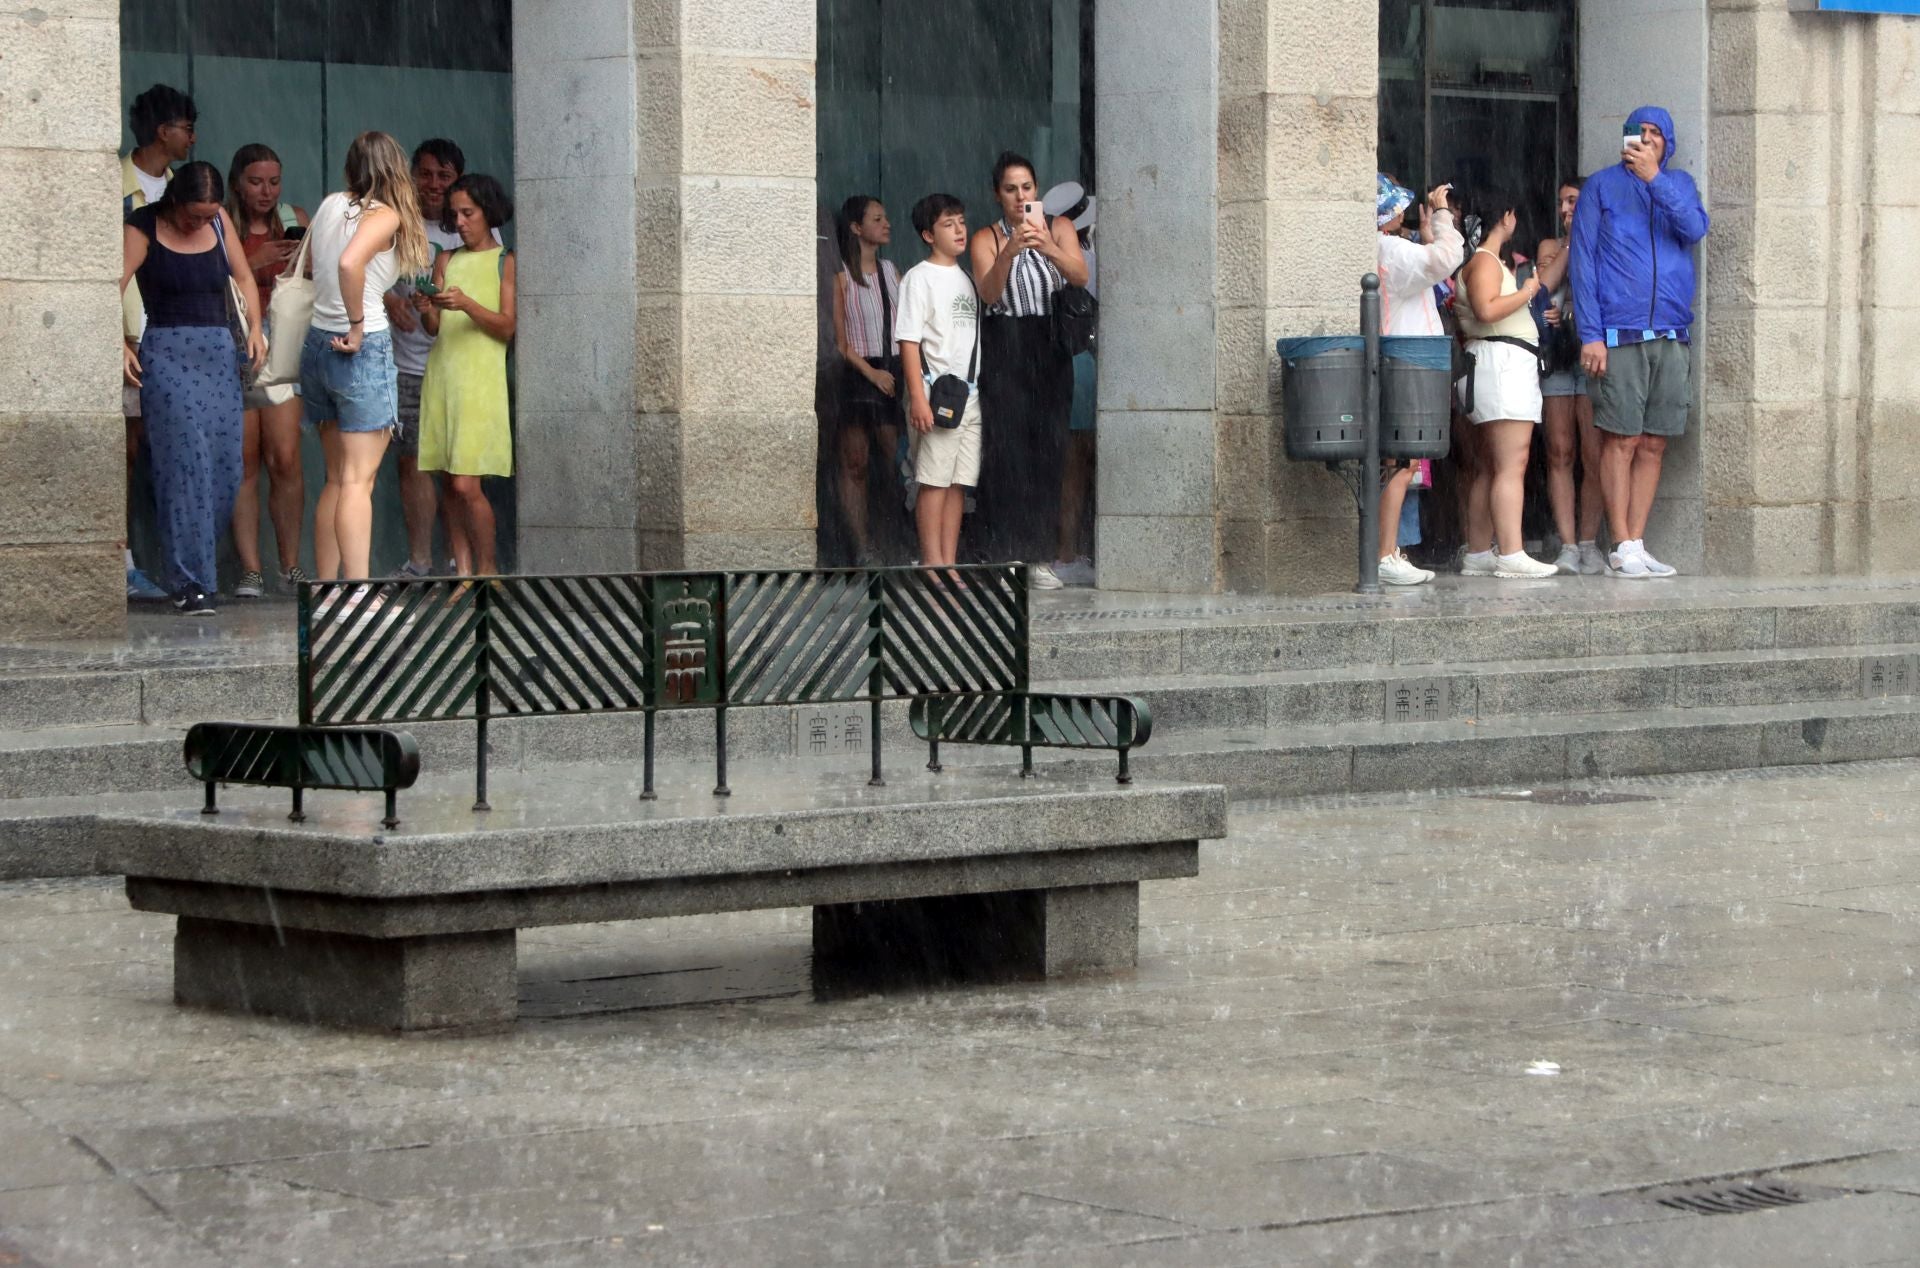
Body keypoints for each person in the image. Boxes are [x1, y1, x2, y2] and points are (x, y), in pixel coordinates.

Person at [120, 161, 267, 615]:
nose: (200, 223)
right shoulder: (144, 225)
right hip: (167, 351)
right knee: (185, 467)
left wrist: (256, 328)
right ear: (175, 201)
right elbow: (112, 284)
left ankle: (198, 571)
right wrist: (118, 343)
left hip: (219, 352)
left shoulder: (220, 222)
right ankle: (190, 583)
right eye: (194, 215)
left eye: (208, 215)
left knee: (225, 468)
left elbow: (243, 276)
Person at [1572, 107, 1710, 580]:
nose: (1647, 140)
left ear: (1667, 144)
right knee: (1622, 438)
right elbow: (1583, 264)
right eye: (1639, 133)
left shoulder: (1679, 185)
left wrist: (1656, 180)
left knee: (1653, 443)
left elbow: (1694, 229)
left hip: (1671, 333)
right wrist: (1591, 333)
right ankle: (1621, 544)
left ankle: (1635, 541)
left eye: (1656, 135)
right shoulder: (1601, 187)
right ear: (1625, 139)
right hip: (1619, 333)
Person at [299, 131, 429, 590]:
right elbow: (351, 264)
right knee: (358, 481)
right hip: (360, 349)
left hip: (317, 345)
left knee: (336, 479)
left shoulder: (332, 204)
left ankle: (327, 590)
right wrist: (356, 324)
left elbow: (319, 265)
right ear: (396, 169)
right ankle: (356, 595)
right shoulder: (386, 214)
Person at [969, 152, 1088, 589]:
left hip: (1050, 346)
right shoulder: (986, 237)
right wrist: (1010, 251)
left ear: (1036, 190)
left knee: (1048, 448)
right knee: (1005, 450)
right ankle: (1004, 553)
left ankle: (1039, 556)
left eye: (1026, 188)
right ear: (997, 195)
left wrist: (1047, 246)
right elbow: (988, 292)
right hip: (1006, 345)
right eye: (1010, 189)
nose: (1020, 197)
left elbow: (1078, 275)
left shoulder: (1059, 226)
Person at [384, 139, 478, 578]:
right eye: (426, 174)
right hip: (409, 364)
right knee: (414, 460)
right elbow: (365, 272)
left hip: (458, 364)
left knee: (458, 467)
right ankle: (420, 560)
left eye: (444, 176)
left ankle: (462, 561)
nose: (434, 185)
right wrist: (387, 299)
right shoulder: (396, 225)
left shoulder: (472, 227)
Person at [416, 174, 516, 579]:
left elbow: (507, 327)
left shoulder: (504, 261)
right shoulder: (446, 260)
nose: (459, 221)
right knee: (448, 484)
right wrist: (426, 304)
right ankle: (463, 573)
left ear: (488, 212)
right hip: (443, 374)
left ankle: (488, 570)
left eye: (468, 213)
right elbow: (434, 327)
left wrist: (467, 303)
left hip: (480, 381)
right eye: (454, 213)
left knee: (466, 485)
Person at [1455, 188, 1557, 580]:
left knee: (1490, 467)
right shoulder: (1484, 262)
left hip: (1499, 364)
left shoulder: (1487, 261)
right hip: (1501, 365)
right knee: (1511, 465)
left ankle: (1480, 551)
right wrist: (1528, 291)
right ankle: (1511, 552)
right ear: (1507, 217)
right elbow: (1486, 309)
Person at [121, 84, 198, 602]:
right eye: (186, 127)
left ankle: (182, 567)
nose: (192, 136)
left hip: (176, 338)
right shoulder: (114, 184)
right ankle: (122, 559)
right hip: (131, 335)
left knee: (173, 451)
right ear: (160, 130)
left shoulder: (184, 188)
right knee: (124, 449)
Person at [224, 143, 310, 597]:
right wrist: (248, 265)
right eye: (256, 181)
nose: (266, 191)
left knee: (285, 458)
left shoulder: (295, 219)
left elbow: (321, 277)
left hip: (283, 347)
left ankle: (291, 566)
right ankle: (251, 570)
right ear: (238, 181)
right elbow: (201, 277)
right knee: (244, 462)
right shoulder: (221, 222)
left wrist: (299, 264)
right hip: (237, 349)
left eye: (274, 181)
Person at [1375, 175, 1464, 586]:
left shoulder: (1380, 249)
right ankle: (1386, 553)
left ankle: (1385, 551)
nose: (1402, 213)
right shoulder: (1390, 249)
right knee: (1401, 460)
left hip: (1390, 359)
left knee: (1394, 461)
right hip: (1406, 361)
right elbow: (1447, 258)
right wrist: (1443, 215)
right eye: (1395, 207)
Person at [896, 194, 983, 574]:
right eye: (949, 224)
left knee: (958, 483)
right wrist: (918, 397)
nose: (960, 230)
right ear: (928, 234)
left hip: (970, 393)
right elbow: (908, 341)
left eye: (961, 221)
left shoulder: (967, 278)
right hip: (935, 391)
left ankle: (950, 563)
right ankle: (931, 564)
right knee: (932, 481)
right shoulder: (918, 278)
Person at [1531, 178, 1605, 576]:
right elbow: (1545, 285)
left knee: (1594, 455)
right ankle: (1569, 544)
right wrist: (1575, 239)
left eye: (1573, 201)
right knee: (1560, 452)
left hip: (1592, 354)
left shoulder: (1606, 240)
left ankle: (1591, 542)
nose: (1564, 208)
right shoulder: (1550, 246)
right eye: (1561, 202)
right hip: (1558, 356)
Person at [830, 195, 902, 566]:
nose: (886, 223)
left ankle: (895, 537)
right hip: (860, 373)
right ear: (857, 227)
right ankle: (860, 547)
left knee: (895, 459)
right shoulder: (841, 275)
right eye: (878, 218)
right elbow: (841, 343)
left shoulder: (893, 272)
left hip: (891, 369)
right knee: (854, 462)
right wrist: (871, 373)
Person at [1043, 180, 1097, 587]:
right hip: (1086, 365)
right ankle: (1069, 551)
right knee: (1080, 463)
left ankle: (1067, 550)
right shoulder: (1081, 259)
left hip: (1073, 364)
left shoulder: (1052, 254)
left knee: (1073, 465)